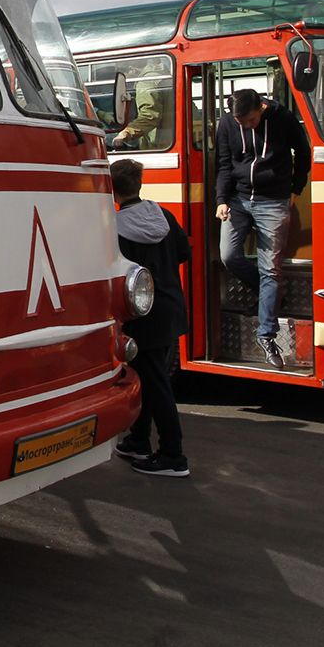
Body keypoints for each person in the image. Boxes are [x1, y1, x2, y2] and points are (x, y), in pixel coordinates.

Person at [216, 88, 311, 368]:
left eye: (251, 120)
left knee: (271, 267)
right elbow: (224, 164)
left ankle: (267, 334)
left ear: (262, 108)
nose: (246, 125)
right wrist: (221, 200)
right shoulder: (227, 123)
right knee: (229, 256)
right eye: (241, 121)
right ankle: (271, 296)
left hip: (274, 199)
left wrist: (296, 188)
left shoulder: (282, 117)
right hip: (238, 198)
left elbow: (302, 150)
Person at [109, 159, 192, 477]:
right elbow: (183, 254)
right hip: (171, 307)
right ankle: (138, 440)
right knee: (146, 377)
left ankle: (173, 455)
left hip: (143, 314)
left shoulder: (116, 228)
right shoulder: (164, 216)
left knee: (156, 385)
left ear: (111, 190)